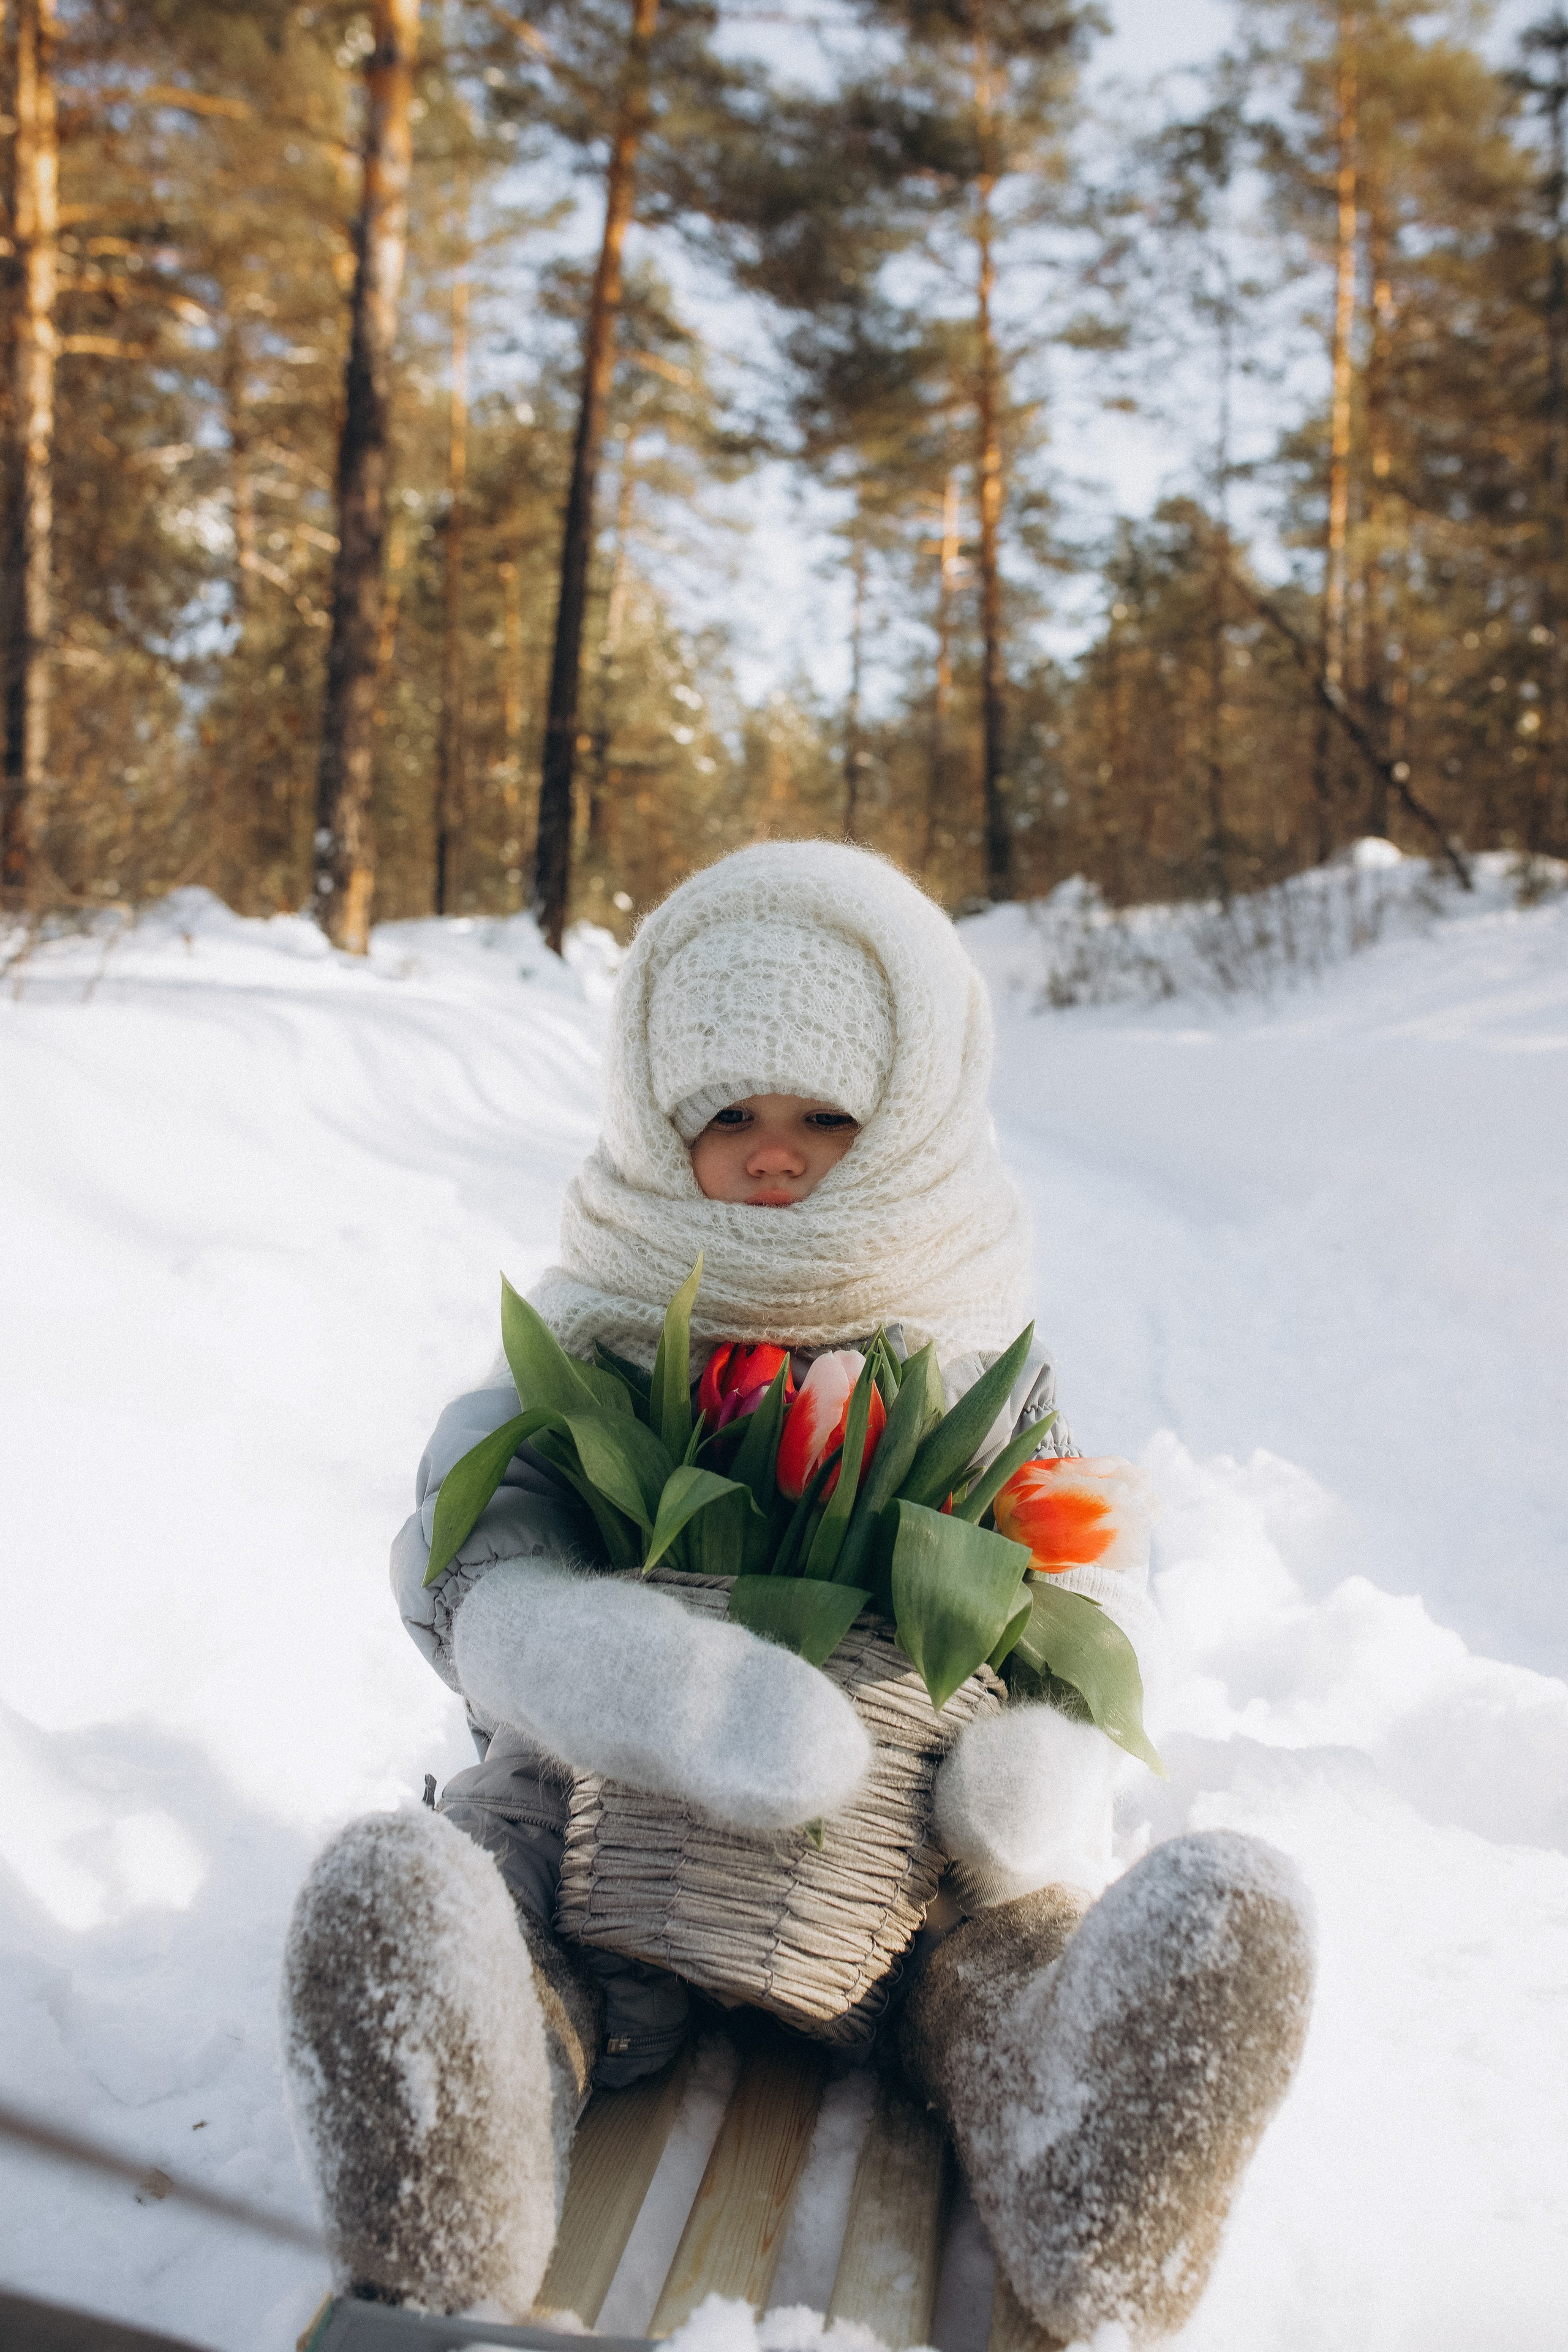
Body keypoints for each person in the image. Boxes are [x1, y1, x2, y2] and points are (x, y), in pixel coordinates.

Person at [282, 842, 1313, 2342]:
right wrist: (600, 1666)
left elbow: (1087, 1573)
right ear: (654, 1120)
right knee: (493, 1865)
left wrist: (1041, 1750)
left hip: (894, 1870)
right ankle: (457, 2105)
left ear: (907, 1119)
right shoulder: (607, 1315)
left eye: (825, 1116)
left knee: (996, 1933)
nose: (773, 1156)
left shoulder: (968, 1344)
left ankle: (1079, 2128)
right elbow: (470, 1534)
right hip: (596, 1814)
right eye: (727, 1116)